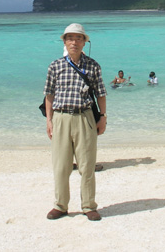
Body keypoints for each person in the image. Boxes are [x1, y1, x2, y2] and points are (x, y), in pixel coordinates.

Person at [44, 23, 107, 222]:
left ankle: (89, 206)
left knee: (87, 165)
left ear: (84, 42)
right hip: (61, 117)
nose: (74, 42)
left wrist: (103, 117)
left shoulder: (93, 65)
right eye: (70, 38)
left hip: (85, 117)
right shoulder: (55, 66)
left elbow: (101, 94)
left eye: (78, 38)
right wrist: (49, 120)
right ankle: (60, 206)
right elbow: (49, 95)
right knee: (61, 165)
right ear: (65, 41)